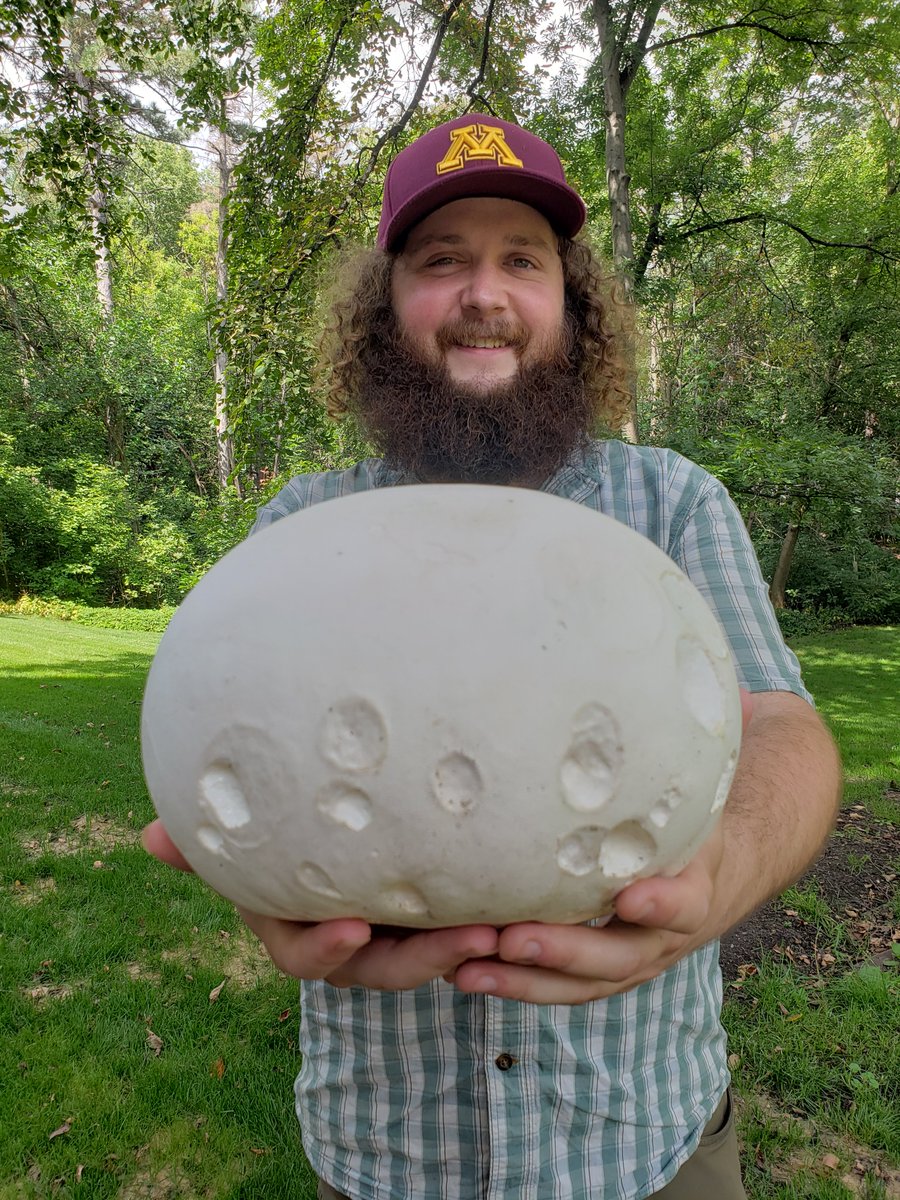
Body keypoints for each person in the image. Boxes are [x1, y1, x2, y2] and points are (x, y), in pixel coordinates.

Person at [144, 113, 842, 1199]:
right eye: (442, 262)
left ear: (570, 300)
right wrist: (259, 885)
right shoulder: (301, 530)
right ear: (386, 306)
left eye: (522, 259)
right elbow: (238, 755)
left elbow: (785, 729)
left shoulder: (668, 504)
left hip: (642, 1144)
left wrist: (722, 880)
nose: (485, 293)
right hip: (391, 1158)